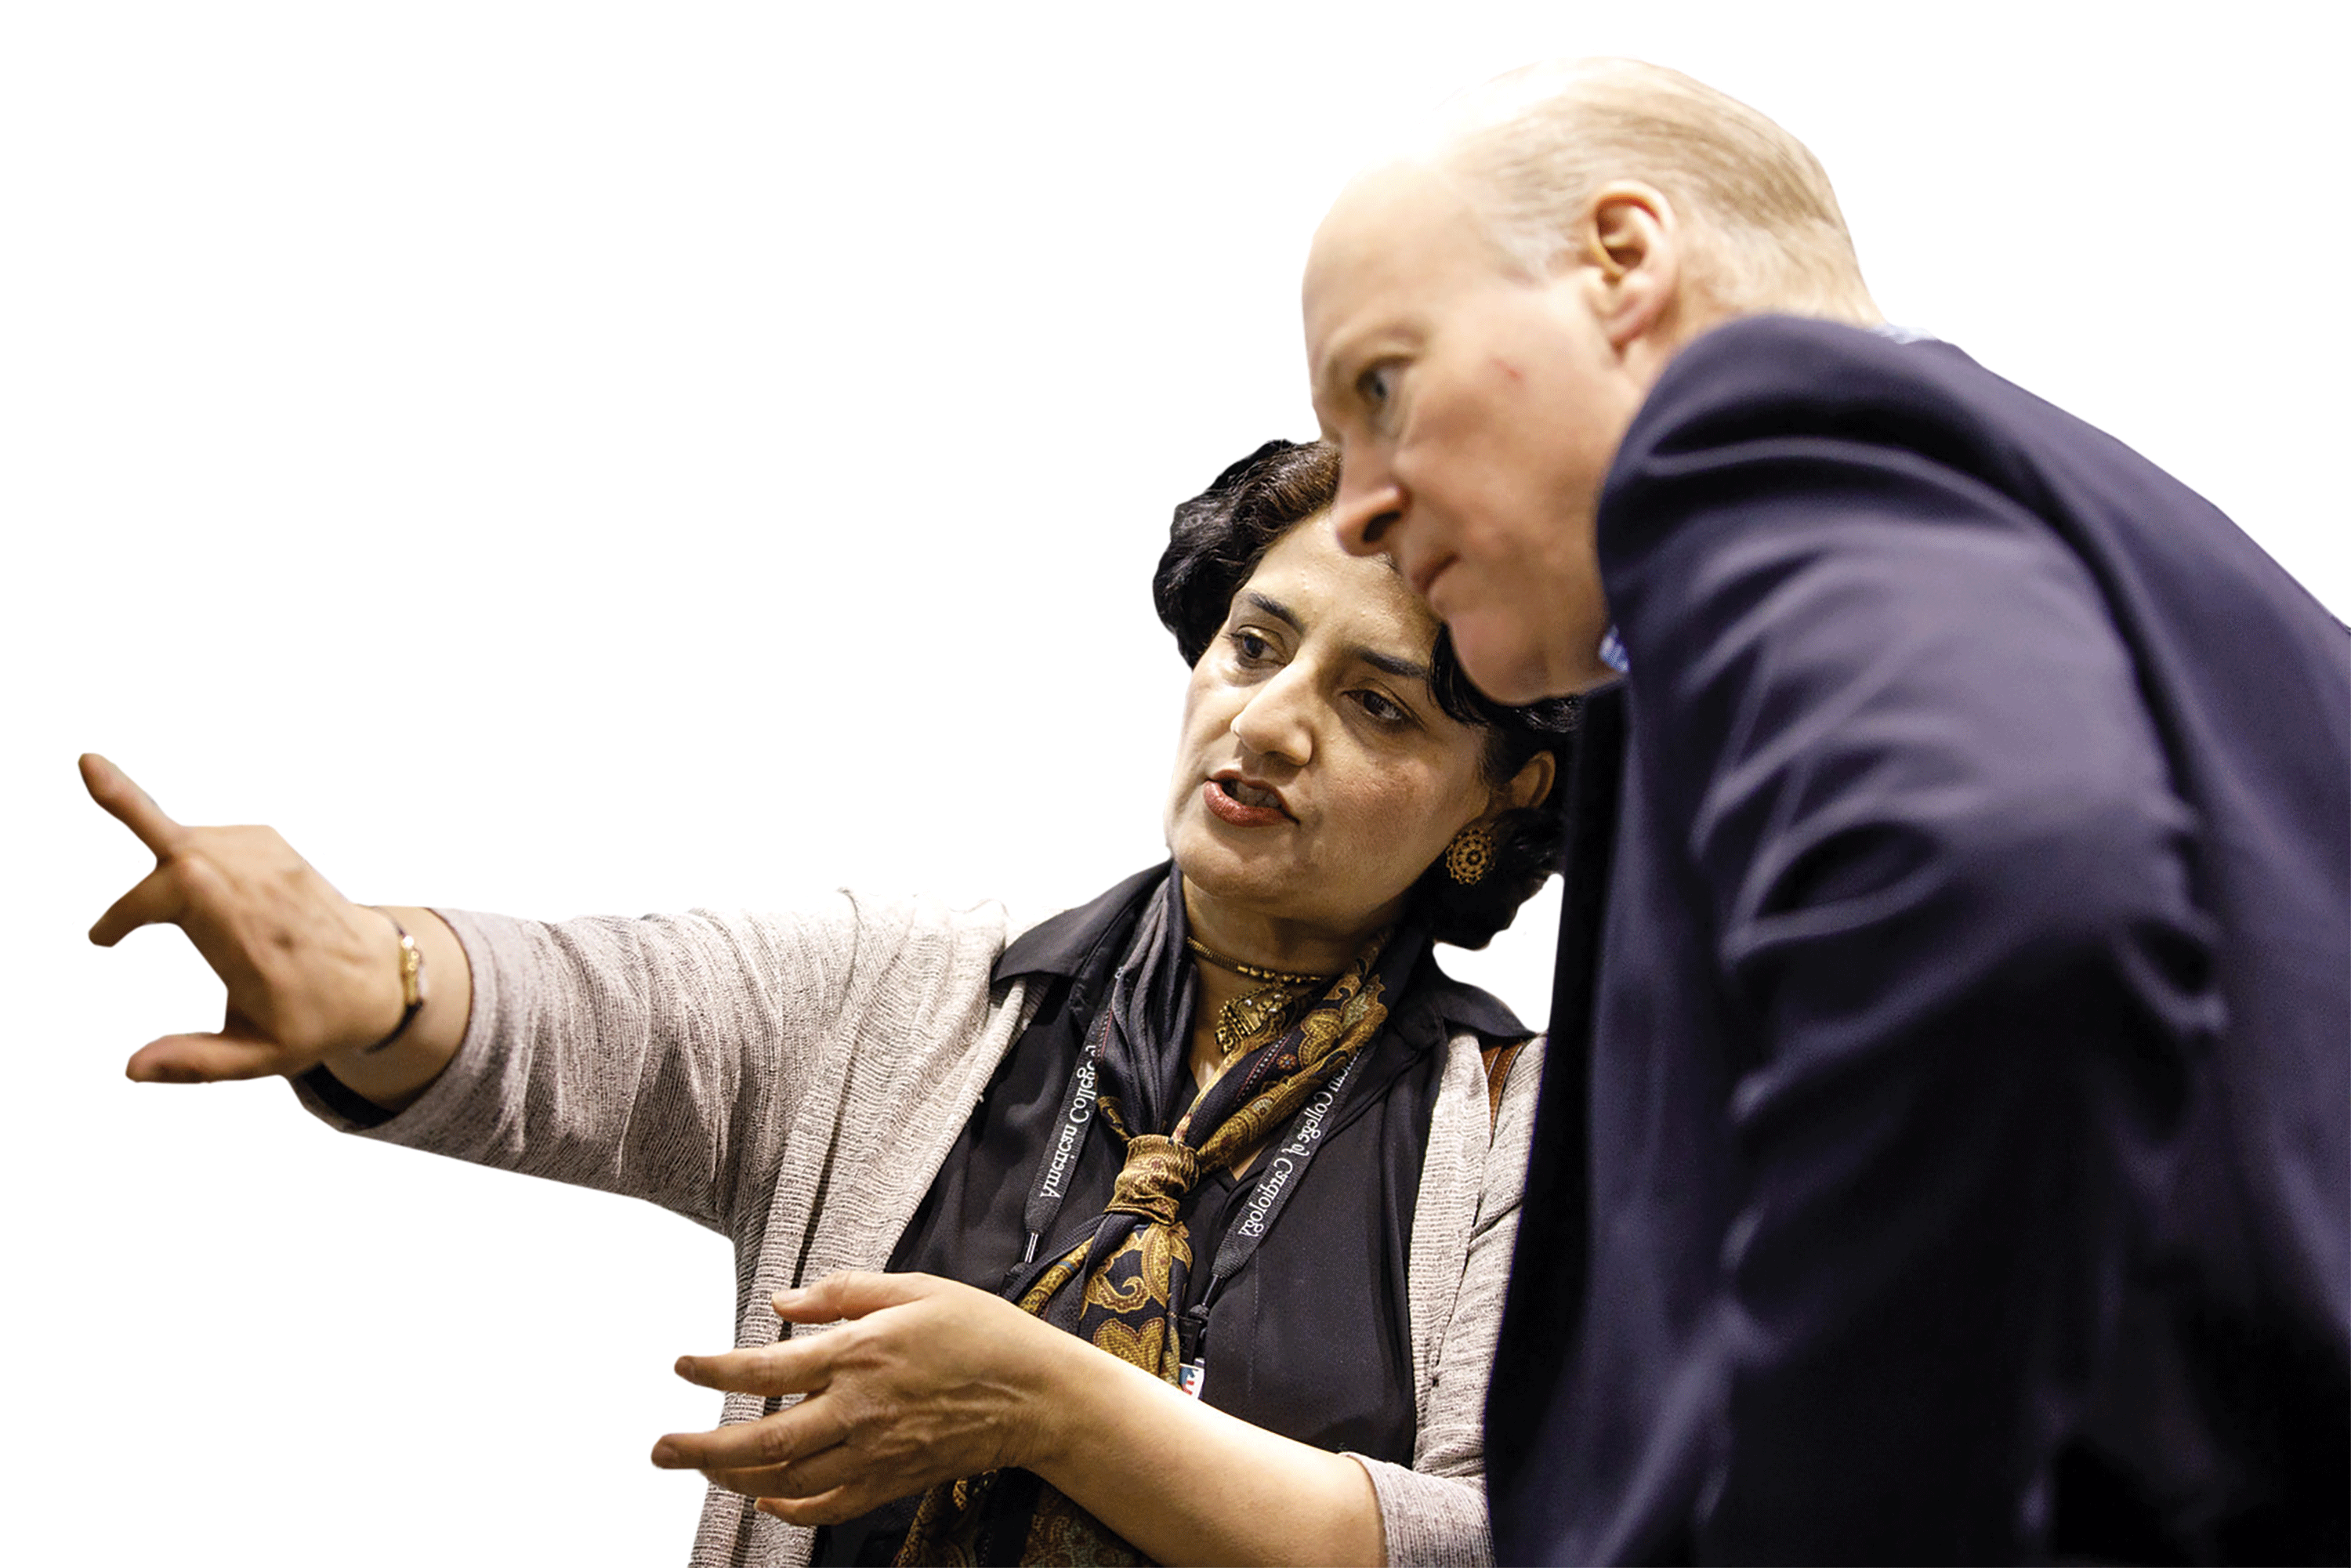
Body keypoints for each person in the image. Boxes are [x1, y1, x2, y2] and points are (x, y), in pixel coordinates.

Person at [82, 438, 1576, 1568]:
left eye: (1376, 703)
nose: (1270, 720)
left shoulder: (1538, 1136)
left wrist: (1053, 1405)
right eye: (1254, 644)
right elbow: (595, 1015)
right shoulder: (906, 999)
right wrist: (381, 975)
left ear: (1501, 795)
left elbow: (1506, 1540)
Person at [1301, 57, 2349, 1566]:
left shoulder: (1764, 450)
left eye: (1383, 387)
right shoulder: (2123, 561)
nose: (1357, 506)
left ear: (1622, 262)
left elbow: (2011, 898)